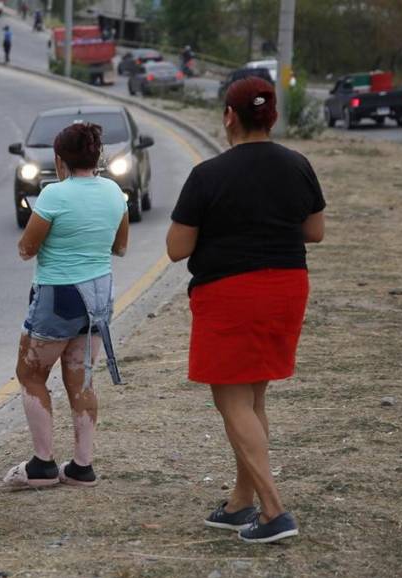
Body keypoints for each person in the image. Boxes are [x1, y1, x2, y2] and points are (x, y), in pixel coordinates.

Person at [165, 77, 325, 544]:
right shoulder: (298, 165)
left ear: (229, 116)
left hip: (231, 293)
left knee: (231, 400)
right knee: (253, 398)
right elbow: (314, 231)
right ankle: (242, 500)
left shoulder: (208, 174)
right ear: (272, 116)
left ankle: (274, 511)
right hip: (288, 287)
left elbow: (177, 248)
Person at [5, 122, 128, 489]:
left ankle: (42, 463)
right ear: (97, 155)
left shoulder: (54, 196)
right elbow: (120, 248)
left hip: (58, 295)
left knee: (31, 374)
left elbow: (26, 249)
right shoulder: (113, 192)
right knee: (82, 375)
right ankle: (82, 466)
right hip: (98, 297)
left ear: (60, 159)